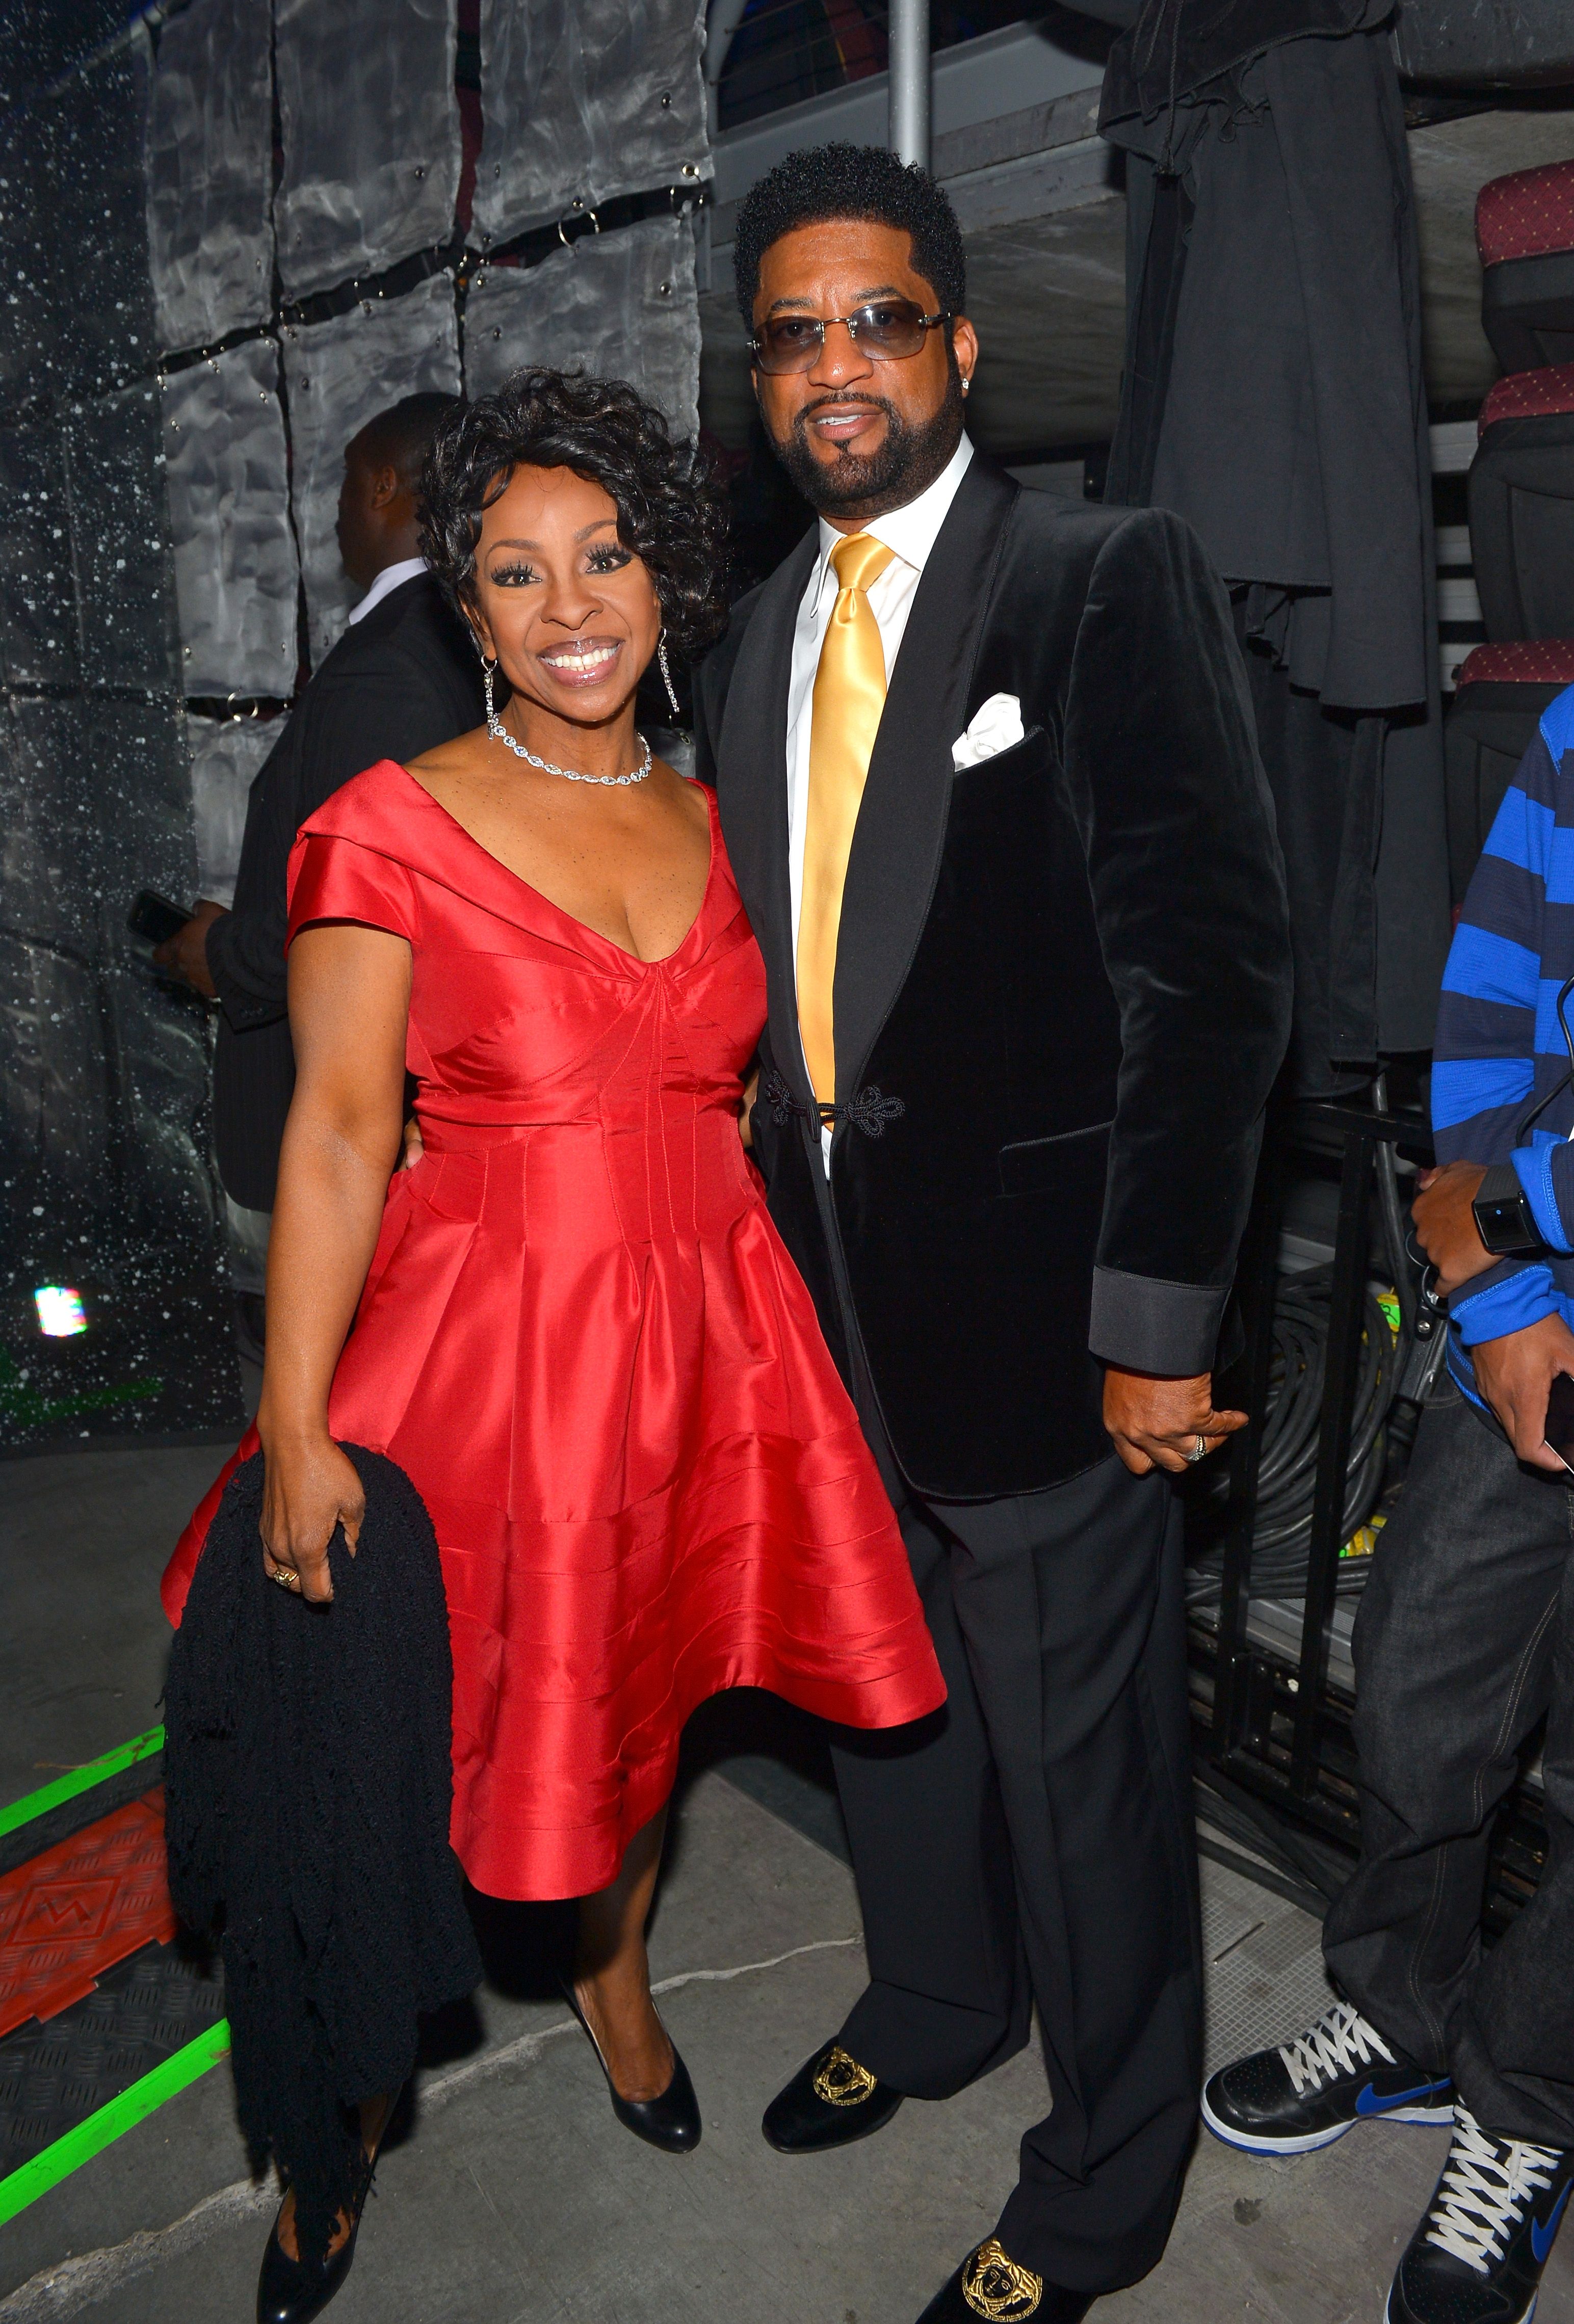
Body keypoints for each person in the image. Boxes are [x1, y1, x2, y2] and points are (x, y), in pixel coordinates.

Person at [161, 368, 945, 2323]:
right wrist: (290, 1424)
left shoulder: (712, 811)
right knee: (381, 1758)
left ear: (662, 574)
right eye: (514, 574)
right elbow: (341, 1132)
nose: (569, 604)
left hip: (697, 1354)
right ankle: (327, 2138)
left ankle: (610, 1981)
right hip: (476, 1360)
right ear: (465, 607)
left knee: (634, 1720)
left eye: (601, 557)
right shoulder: (389, 824)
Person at [695, 144, 1292, 2324]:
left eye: (875, 319)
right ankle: (938, 2002)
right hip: (838, 1325)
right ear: (758, 379)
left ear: (956, 339)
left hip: (1051, 1329)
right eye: (791, 332)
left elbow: (1210, 977)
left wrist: (1157, 1317)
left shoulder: (1101, 579)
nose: (833, 365)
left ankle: (1109, 2173)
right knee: (893, 1718)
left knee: (1087, 1787)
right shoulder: (754, 636)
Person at [1203, 684, 1574, 2324]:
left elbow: (1484, 1178)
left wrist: (1501, 1203)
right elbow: (1497, 996)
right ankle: (1404, 2014)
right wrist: (1499, 1299)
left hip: (1527, 1228)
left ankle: (1528, 2106)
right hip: (1541, 1310)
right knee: (1423, 1688)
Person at [155, 391, 485, 1221]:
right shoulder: (456, 634)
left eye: (343, 487)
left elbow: (371, 916)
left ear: (383, 486)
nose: (336, 513)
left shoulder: (393, 666)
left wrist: (222, 954)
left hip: (347, 1129)